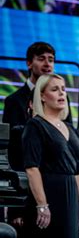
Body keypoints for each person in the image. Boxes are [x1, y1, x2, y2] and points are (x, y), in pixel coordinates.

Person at [21, 73, 79, 238]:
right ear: (42, 96)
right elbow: (32, 168)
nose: (62, 93)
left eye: (63, 89)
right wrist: (42, 204)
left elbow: (78, 170)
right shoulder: (36, 125)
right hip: (50, 194)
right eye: (55, 89)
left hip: (71, 199)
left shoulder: (69, 126)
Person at [3, 41, 72, 172]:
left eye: (51, 60)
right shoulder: (13, 100)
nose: (47, 64)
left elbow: (68, 132)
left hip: (57, 169)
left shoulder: (63, 98)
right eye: (41, 59)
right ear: (29, 63)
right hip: (26, 168)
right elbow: (13, 142)